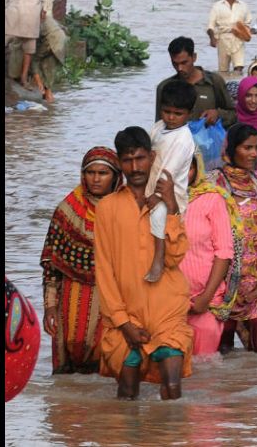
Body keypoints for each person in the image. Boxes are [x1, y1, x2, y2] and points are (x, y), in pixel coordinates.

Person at [95, 126, 194, 400]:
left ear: (152, 157)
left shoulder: (166, 202)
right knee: (127, 393)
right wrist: (122, 322)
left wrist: (172, 207)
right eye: (128, 160)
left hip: (168, 311)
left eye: (140, 158)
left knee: (173, 388)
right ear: (120, 162)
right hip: (126, 314)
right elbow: (104, 271)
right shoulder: (107, 208)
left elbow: (174, 257)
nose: (135, 167)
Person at [40, 146, 123, 374]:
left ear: (115, 176)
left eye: (103, 173)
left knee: (108, 364)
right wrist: (50, 307)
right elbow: (51, 264)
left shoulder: (126, 209)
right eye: (91, 172)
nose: (96, 179)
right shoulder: (67, 211)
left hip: (110, 297)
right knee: (67, 375)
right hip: (71, 298)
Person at [206, 124, 257, 353]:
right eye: (247, 147)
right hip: (223, 281)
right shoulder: (213, 184)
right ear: (231, 149)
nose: (254, 153)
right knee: (222, 350)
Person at [180, 151, 243, 356]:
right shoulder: (159, 201)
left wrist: (205, 297)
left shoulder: (212, 199)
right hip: (169, 301)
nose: (181, 174)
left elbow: (224, 253)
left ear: (196, 169)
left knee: (204, 374)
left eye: (187, 168)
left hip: (205, 301)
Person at [143, 80, 197, 283]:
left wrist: (157, 197)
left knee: (159, 217)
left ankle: (158, 258)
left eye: (178, 114)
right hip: (151, 186)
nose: (171, 117)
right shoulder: (158, 127)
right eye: (167, 112)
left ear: (189, 114)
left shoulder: (183, 139)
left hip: (170, 194)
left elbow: (169, 172)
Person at [156, 36, 236, 128]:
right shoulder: (164, 87)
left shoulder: (214, 82)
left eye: (184, 62)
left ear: (194, 57)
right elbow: (159, 124)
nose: (180, 68)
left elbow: (233, 114)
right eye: (175, 64)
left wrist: (218, 114)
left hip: (207, 140)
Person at [5, 0, 53, 89]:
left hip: (30, 9)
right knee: (12, 39)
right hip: (17, 7)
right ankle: (22, 78)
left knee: (29, 46)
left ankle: (23, 78)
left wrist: (44, 8)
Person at [207, 0, 252, 74]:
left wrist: (247, 32)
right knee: (223, 70)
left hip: (238, 39)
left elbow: (248, 23)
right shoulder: (217, 6)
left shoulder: (243, 6)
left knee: (239, 68)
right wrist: (212, 38)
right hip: (223, 39)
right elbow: (210, 26)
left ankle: (237, 85)